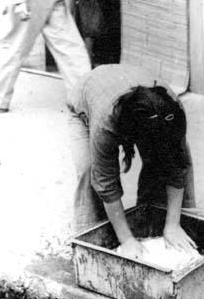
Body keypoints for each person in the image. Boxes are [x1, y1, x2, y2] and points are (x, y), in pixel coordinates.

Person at [69, 63, 196, 260]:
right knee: (89, 170)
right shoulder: (106, 125)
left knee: (161, 161)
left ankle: (156, 220)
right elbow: (106, 182)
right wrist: (126, 240)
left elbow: (177, 166)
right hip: (90, 93)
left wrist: (172, 224)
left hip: (131, 87)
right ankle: (92, 244)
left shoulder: (173, 111)